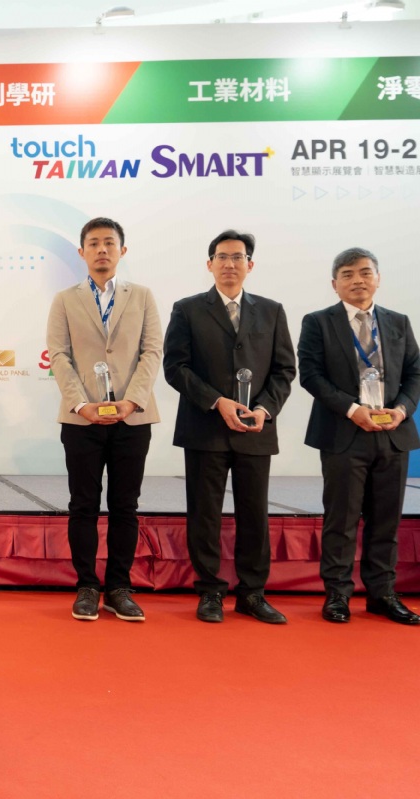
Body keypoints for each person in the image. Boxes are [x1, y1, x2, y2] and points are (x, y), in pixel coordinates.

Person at [163, 230, 295, 624]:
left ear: (250, 265)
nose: (229, 264)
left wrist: (265, 409)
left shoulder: (271, 311)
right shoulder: (187, 309)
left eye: (238, 257)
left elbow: (285, 370)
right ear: (209, 264)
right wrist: (216, 401)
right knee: (204, 514)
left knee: (254, 514)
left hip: (255, 429)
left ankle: (252, 593)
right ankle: (210, 591)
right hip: (205, 428)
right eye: (222, 257)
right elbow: (175, 367)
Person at [46, 217, 162, 622]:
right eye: (93, 243)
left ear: (122, 251)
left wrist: (132, 401)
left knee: (125, 506)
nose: (101, 250)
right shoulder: (65, 299)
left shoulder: (142, 296)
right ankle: (86, 587)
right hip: (82, 421)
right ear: (81, 252)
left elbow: (152, 352)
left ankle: (118, 588)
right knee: (83, 505)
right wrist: (81, 405)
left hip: (133, 419)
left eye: (109, 243)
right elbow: (58, 355)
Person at [298, 247, 420, 625]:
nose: (357, 281)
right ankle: (337, 595)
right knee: (342, 519)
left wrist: (402, 410)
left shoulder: (398, 322)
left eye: (365, 273)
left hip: (393, 432)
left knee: (386, 521)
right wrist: (353, 410)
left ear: (377, 279)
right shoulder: (318, 322)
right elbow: (311, 375)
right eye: (348, 274)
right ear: (334, 284)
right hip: (344, 433)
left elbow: (415, 373)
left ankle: (383, 594)